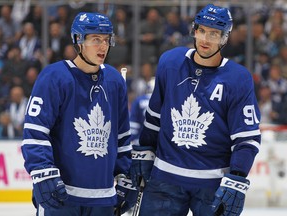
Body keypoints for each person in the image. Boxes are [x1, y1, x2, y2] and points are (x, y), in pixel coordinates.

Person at [130, 4, 261, 216]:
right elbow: (154, 118)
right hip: (165, 178)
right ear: (194, 30)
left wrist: (237, 176)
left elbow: (247, 138)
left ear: (224, 38)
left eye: (214, 34)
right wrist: (145, 152)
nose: (205, 39)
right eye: (201, 31)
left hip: (213, 184)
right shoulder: (170, 62)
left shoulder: (238, 78)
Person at [21, 12, 137, 216]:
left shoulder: (114, 80)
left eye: (106, 40)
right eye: (95, 39)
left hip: (103, 198)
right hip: (62, 196)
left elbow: (122, 136)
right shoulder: (54, 76)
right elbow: (36, 131)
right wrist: (42, 172)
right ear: (78, 40)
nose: (103, 46)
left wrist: (125, 174)